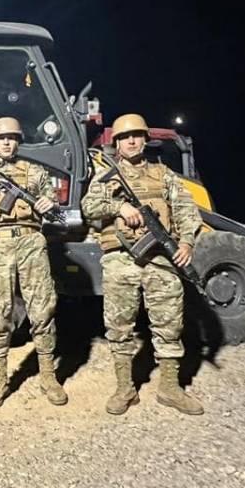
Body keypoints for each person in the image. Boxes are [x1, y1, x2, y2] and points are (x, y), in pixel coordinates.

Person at [81, 114, 204, 416]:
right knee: (119, 326)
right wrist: (118, 207)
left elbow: (187, 210)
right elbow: (88, 207)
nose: (131, 141)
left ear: (146, 139)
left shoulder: (165, 175)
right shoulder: (106, 177)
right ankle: (125, 388)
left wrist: (186, 242)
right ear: (117, 144)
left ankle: (170, 388)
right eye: (125, 137)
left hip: (161, 260)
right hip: (120, 261)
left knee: (169, 323)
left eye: (136, 135)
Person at [0, 116, 65, 409]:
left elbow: (52, 205)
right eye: (0, 138)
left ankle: (48, 376)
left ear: (18, 141)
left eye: (11, 137)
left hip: (32, 241)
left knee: (42, 308)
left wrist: (48, 204)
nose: (6, 142)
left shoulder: (35, 172)